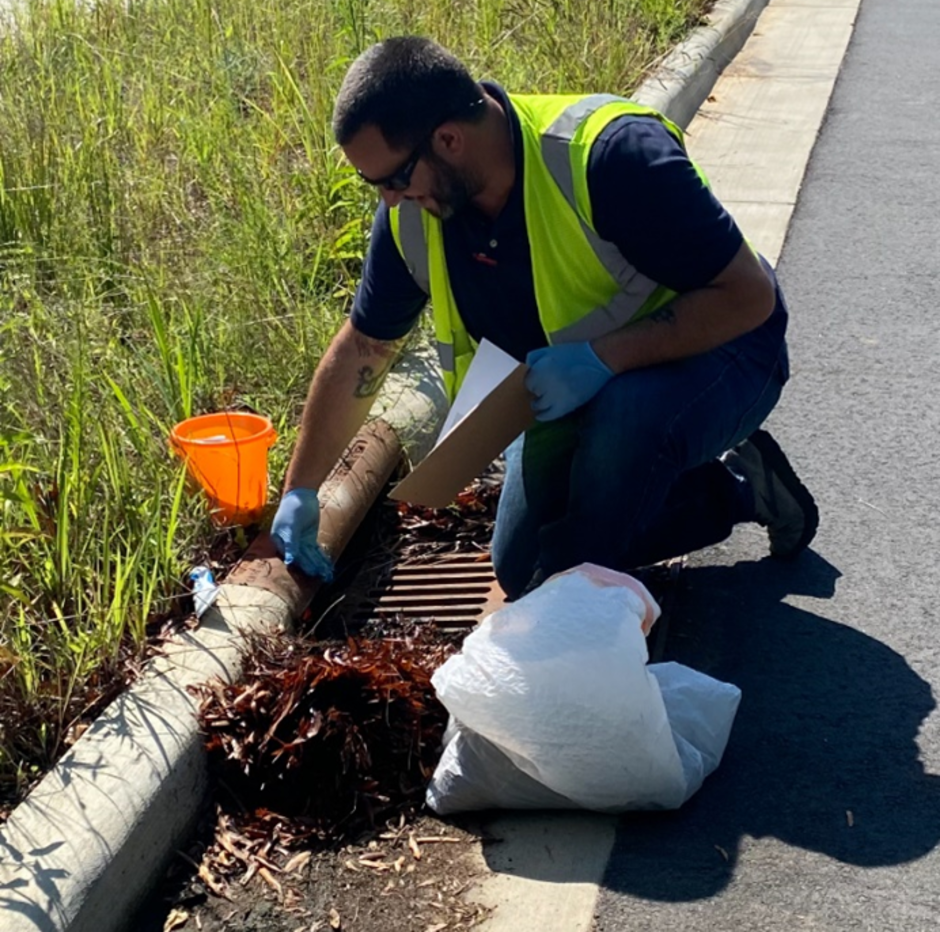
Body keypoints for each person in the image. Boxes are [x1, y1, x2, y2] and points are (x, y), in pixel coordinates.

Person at [271, 35, 818, 598]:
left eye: (392, 179)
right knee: (523, 566)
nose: (387, 200)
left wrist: (602, 358)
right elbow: (364, 348)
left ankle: (620, 531)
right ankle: (743, 488)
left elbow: (748, 296)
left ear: (449, 139)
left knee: (619, 442)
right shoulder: (415, 218)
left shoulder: (610, 158)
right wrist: (301, 488)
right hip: (581, 387)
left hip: (724, 351)